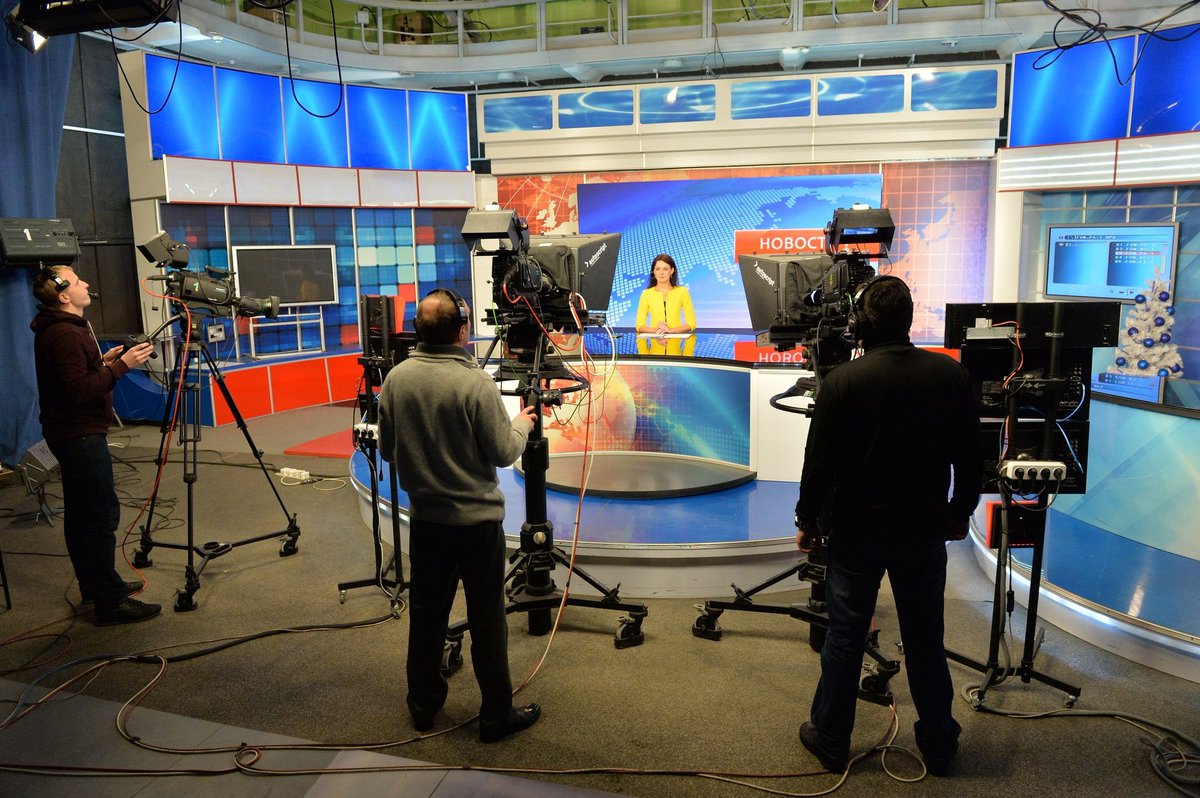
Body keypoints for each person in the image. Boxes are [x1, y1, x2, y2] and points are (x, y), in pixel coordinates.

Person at [793, 275, 982, 776]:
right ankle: (939, 747)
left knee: (845, 636)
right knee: (925, 638)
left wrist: (806, 519)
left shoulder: (842, 382)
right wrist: (960, 512)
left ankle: (832, 740)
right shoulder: (950, 376)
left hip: (855, 531)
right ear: (909, 320)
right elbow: (971, 456)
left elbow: (819, 463)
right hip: (923, 529)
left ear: (861, 324)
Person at [377, 288, 541, 743]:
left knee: (426, 617)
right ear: (463, 331)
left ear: (418, 330)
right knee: (488, 620)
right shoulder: (476, 384)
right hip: (476, 526)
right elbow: (504, 451)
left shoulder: (396, 379)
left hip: (426, 522)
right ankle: (495, 717)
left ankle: (423, 707)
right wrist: (523, 423)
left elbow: (388, 450)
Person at [30, 265, 160, 625]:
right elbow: (77, 391)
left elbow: (73, 378)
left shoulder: (63, 329)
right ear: (63, 296)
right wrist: (121, 367)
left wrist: (103, 362)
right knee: (100, 516)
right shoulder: (65, 334)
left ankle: (96, 586)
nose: (86, 283)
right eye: (77, 281)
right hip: (80, 435)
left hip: (72, 433)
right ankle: (110, 601)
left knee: (82, 514)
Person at [634, 254, 696, 355]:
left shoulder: (682, 292)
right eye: (658, 269)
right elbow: (639, 325)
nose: (661, 273)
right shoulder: (646, 294)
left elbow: (691, 323)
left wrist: (671, 331)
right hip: (654, 355)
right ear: (654, 272)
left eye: (665, 269)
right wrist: (656, 331)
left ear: (672, 271)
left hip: (676, 354)